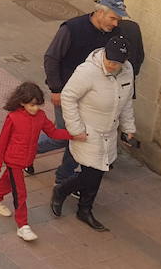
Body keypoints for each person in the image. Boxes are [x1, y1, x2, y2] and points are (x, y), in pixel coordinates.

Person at [38, 0, 129, 184]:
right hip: (66, 93)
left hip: (91, 98)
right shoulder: (72, 28)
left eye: (118, 20)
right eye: (113, 18)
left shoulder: (114, 35)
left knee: (80, 136)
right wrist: (56, 90)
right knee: (63, 136)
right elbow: (51, 58)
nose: (115, 23)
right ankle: (24, 147)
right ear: (99, 13)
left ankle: (63, 177)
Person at [50, 37, 136, 232]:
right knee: (92, 173)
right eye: (110, 61)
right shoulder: (87, 72)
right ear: (104, 54)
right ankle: (66, 194)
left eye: (117, 63)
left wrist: (128, 128)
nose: (113, 66)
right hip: (88, 131)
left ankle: (82, 207)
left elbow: (127, 100)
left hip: (109, 131)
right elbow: (68, 97)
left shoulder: (127, 71)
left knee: (98, 172)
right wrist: (76, 129)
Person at [0, 82, 83, 242]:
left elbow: (53, 132)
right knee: (20, 193)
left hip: (26, 159)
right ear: (22, 102)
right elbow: (2, 140)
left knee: (9, 180)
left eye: (37, 105)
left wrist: (73, 135)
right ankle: (23, 226)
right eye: (31, 105)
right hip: (14, 160)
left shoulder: (40, 116)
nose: (35, 108)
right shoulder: (13, 117)